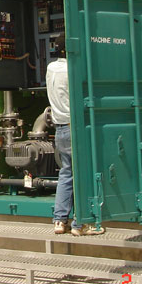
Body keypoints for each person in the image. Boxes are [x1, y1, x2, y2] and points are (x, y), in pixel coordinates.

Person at [46, 33, 105, 236]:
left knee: (66, 173)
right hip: (75, 128)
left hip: (60, 128)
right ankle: (80, 224)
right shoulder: (72, 70)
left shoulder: (51, 68)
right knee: (83, 173)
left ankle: (59, 221)